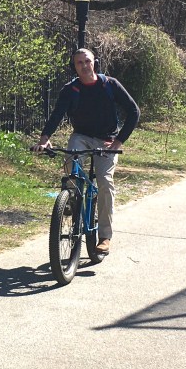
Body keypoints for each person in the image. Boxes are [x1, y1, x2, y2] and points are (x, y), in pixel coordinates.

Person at [33, 48, 140, 256]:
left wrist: (118, 142)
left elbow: (134, 111)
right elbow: (56, 115)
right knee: (71, 165)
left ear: (94, 62)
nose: (83, 65)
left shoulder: (110, 84)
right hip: (81, 136)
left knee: (104, 182)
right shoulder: (70, 89)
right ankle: (71, 200)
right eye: (79, 63)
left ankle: (105, 237)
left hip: (107, 140)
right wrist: (44, 140)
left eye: (87, 61)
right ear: (74, 66)